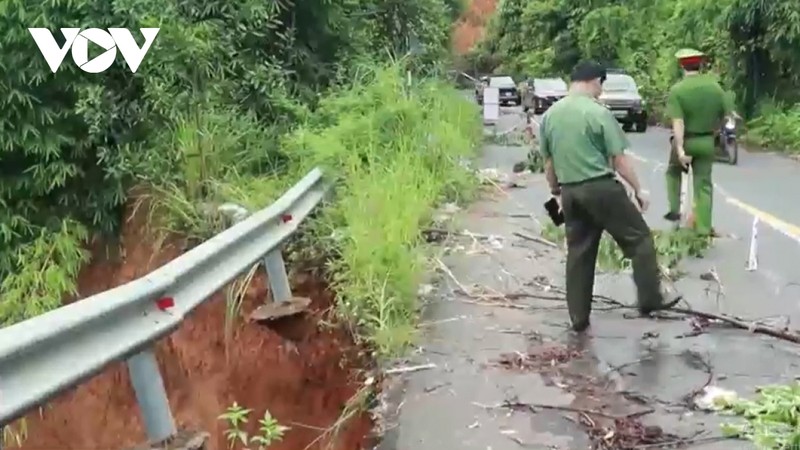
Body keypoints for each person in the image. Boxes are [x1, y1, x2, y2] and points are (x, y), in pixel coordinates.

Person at [539, 60, 682, 332]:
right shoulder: (598, 113)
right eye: (601, 86)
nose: (601, 92)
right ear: (595, 81)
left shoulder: (550, 115)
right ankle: (650, 299)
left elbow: (549, 164)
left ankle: (578, 318)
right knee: (639, 239)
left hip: (570, 192)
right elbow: (619, 159)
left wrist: (556, 192)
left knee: (579, 253)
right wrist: (639, 189)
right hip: (600, 188)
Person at [664, 48, 733, 236]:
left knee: (672, 173)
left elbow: (678, 122)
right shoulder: (715, 88)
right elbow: (728, 116)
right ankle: (703, 228)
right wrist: (716, 131)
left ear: (681, 66)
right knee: (703, 184)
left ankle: (675, 215)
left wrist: (679, 150)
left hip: (687, 141)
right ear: (700, 65)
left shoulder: (678, 90)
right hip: (706, 142)